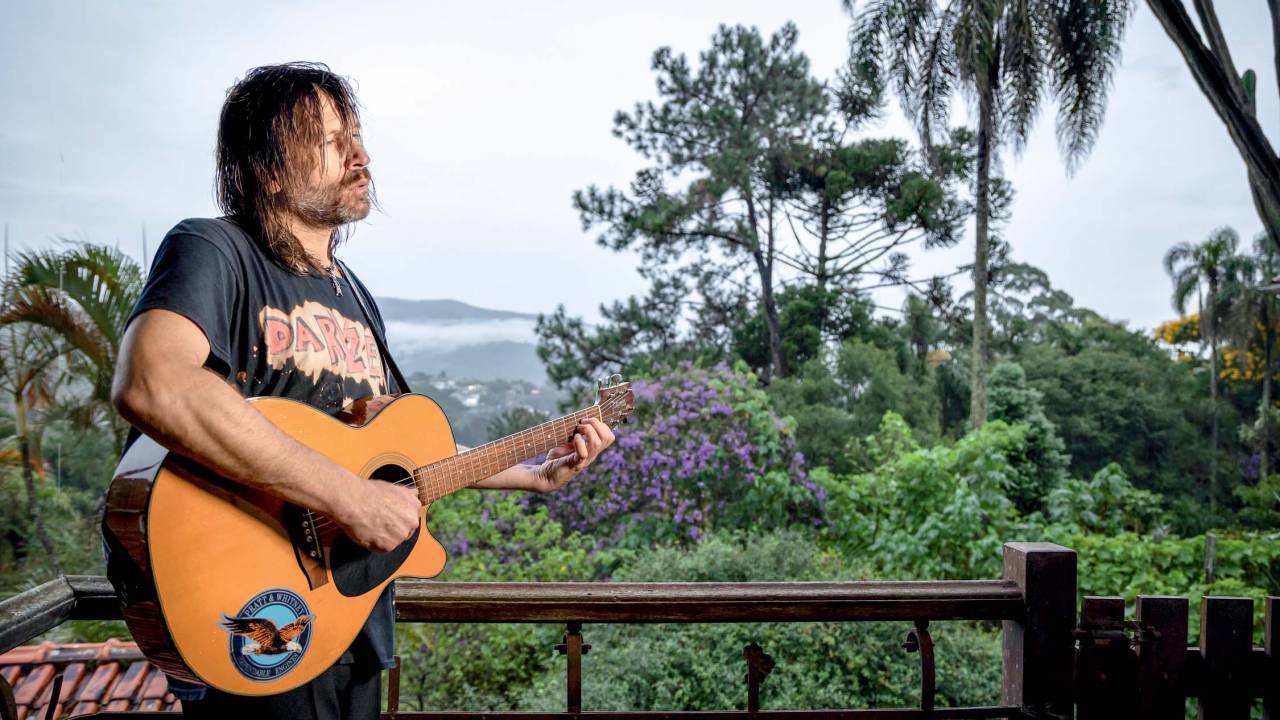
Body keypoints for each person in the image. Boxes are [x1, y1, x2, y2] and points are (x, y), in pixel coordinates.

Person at [108, 62, 615, 719]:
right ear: (267, 166)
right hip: (257, 610)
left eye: (357, 135)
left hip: (351, 618)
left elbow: (402, 451)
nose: (360, 155)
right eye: (329, 139)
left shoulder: (354, 294)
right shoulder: (214, 249)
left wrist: (532, 472)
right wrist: (347, 497)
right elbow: (155, 382)